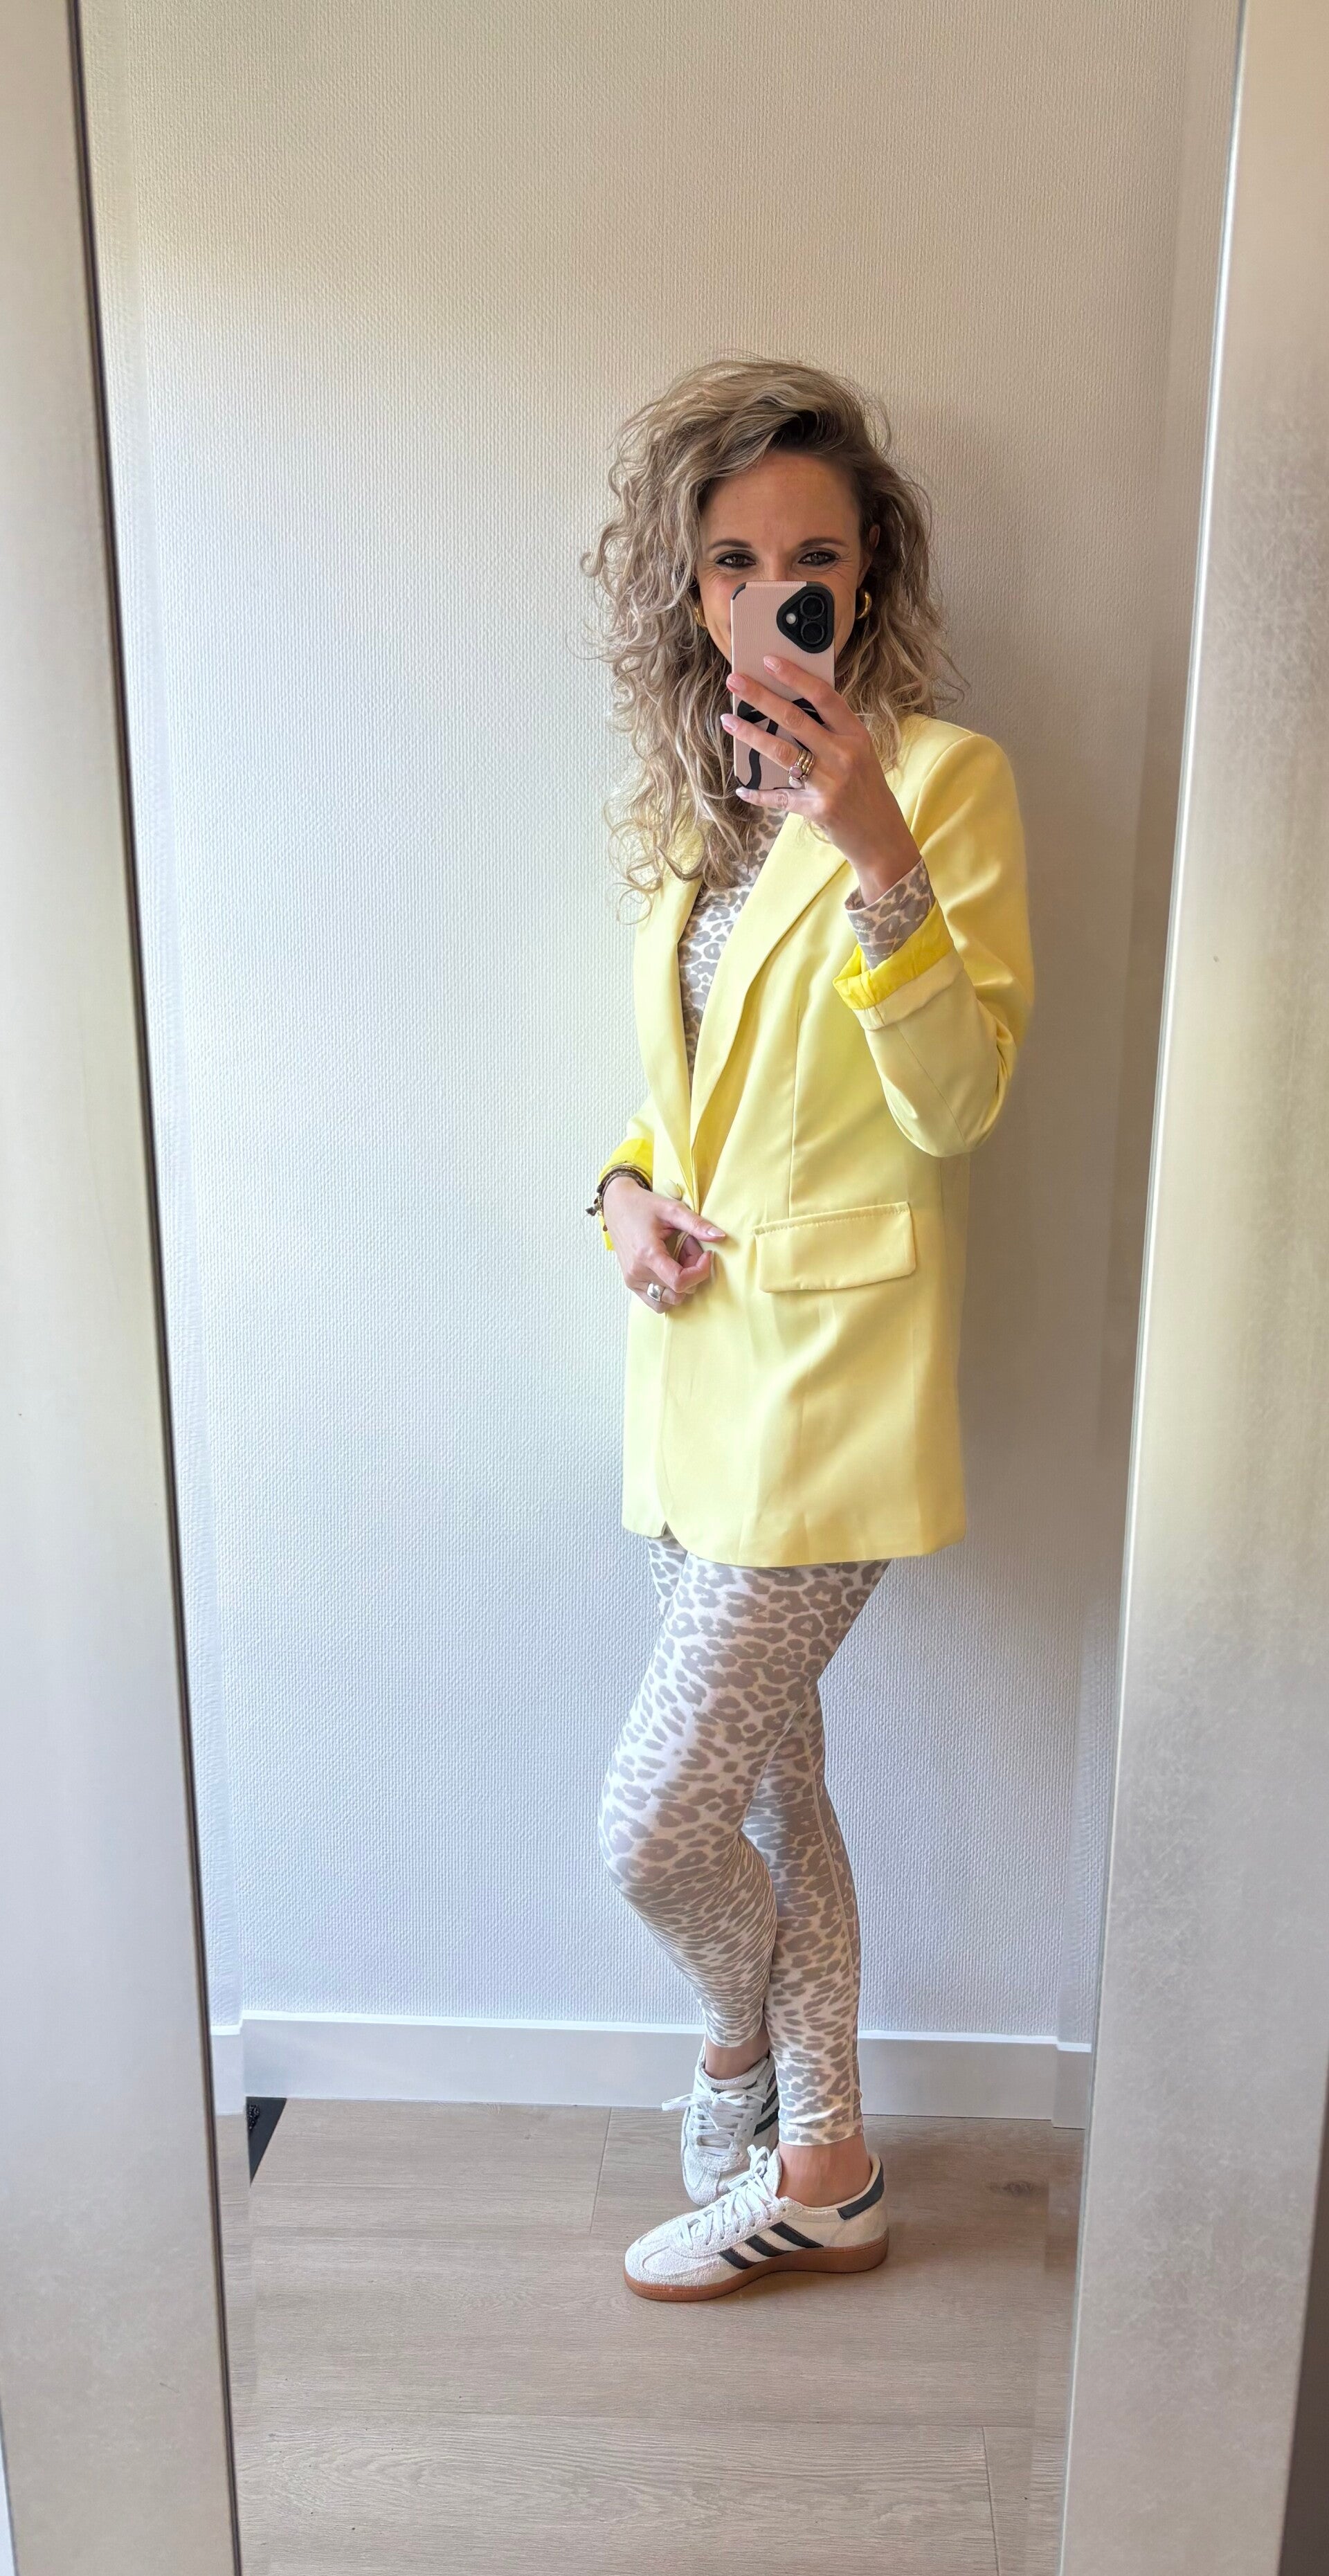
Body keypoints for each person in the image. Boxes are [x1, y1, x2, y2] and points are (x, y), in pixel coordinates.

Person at [586, 360, 1033, 2302]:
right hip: (692, 1370)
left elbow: (960, 1101)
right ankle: (831, 2171)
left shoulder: (944, 780)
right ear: (691, 590)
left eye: (814, 559)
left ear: (868, 577)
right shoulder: (694, 812)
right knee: (775, 1789)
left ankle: (735, 2060)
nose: (776, 591)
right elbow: (676, 1099)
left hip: (834, 1384)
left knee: (653, 1826)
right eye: (734, 562)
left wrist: (877, 853)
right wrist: (617, 1194)